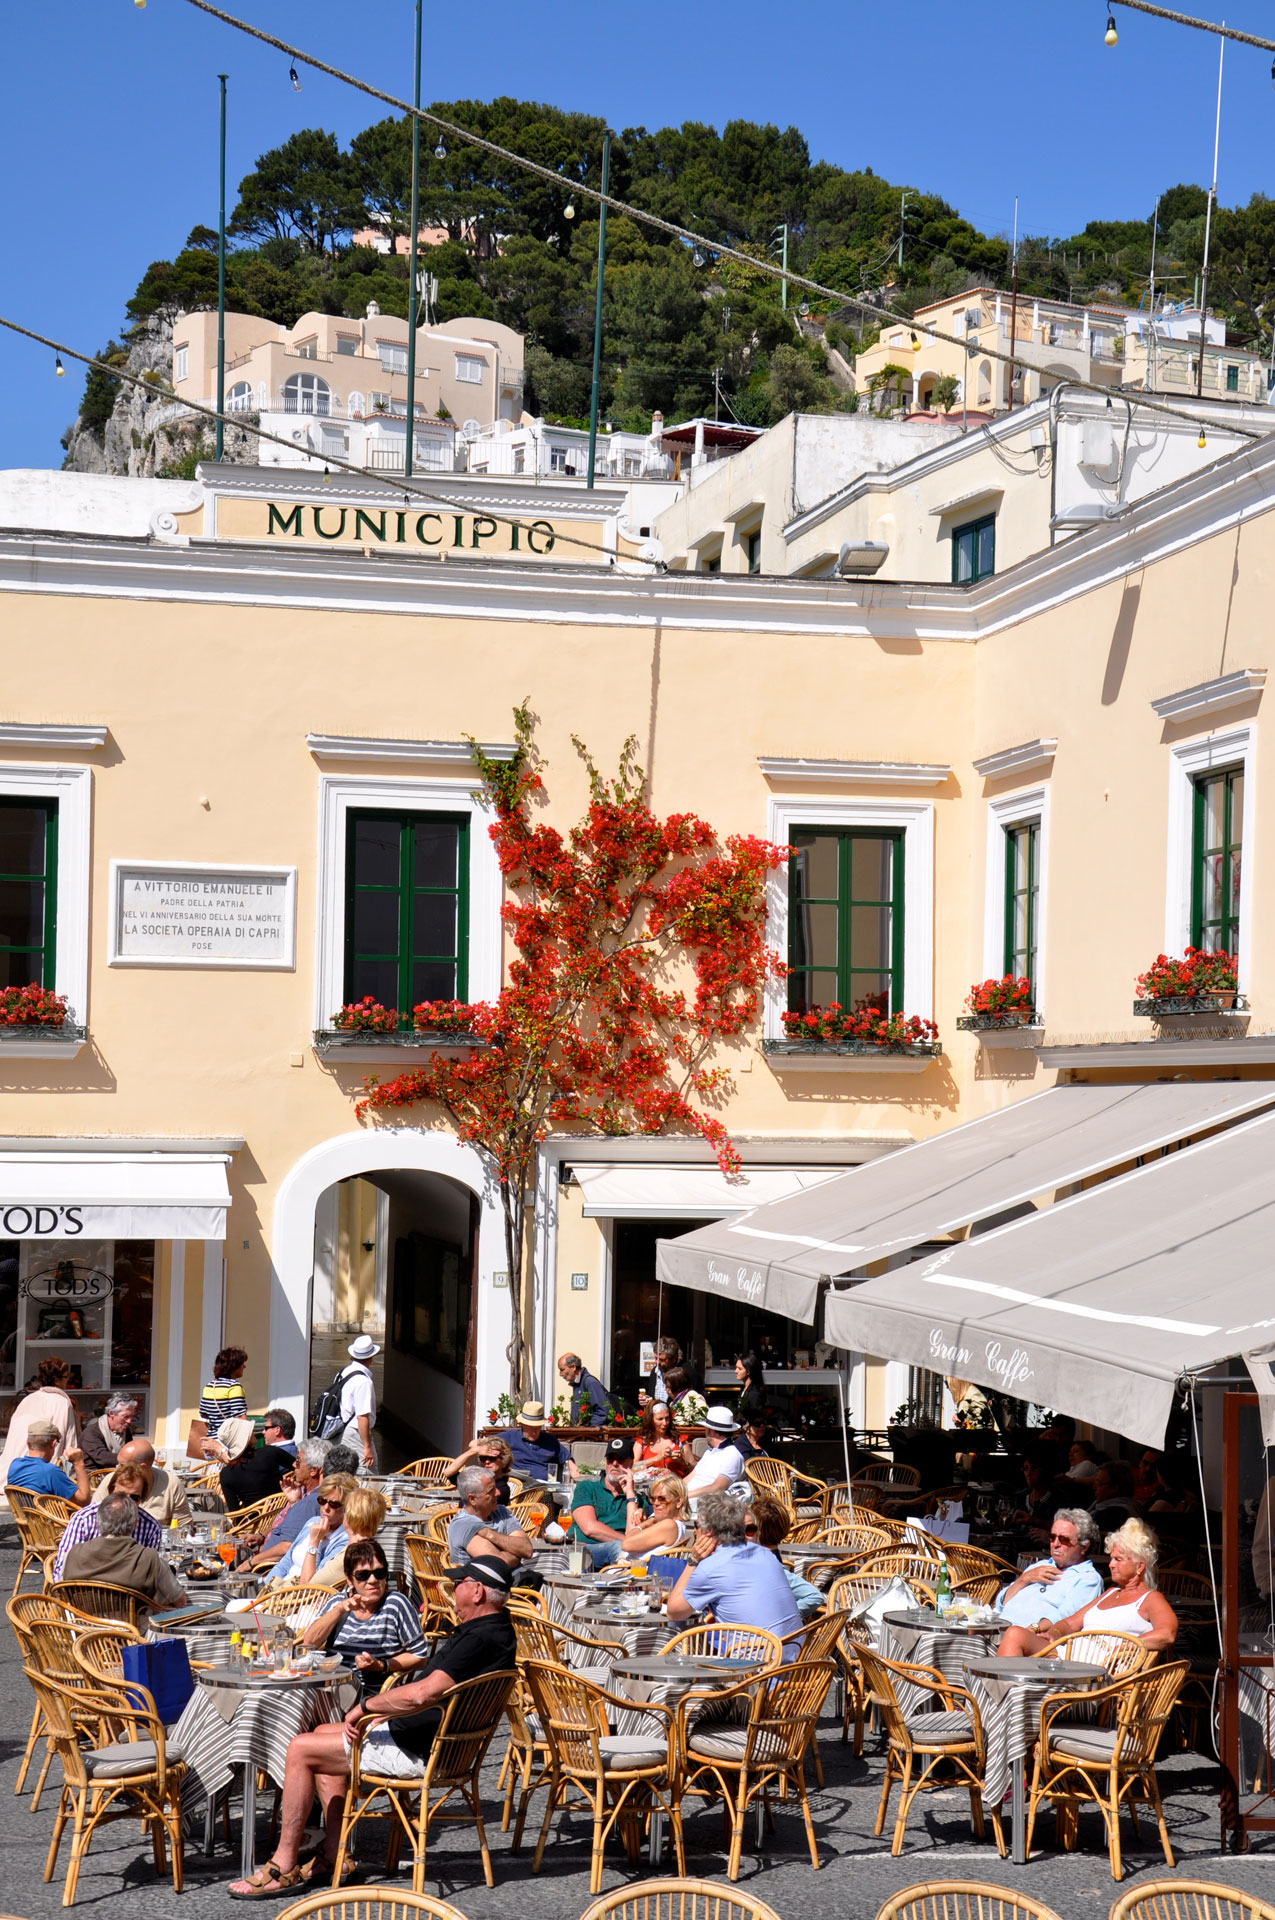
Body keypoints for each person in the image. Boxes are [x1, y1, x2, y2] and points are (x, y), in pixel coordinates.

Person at [227, 1554, 517, 1899]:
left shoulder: (480, 1639)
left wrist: (366, 1707)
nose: (453, 1590)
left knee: (301, 1749)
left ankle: (283, 1863)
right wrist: (385, 1712)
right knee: (320, 1736)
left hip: (421, 1750)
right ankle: (336, 1855)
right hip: (434, 1740)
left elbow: (423, 1692)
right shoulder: (496, 1631)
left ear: (478, 1591)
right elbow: (424, 1694)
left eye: (459, 1584)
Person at [999, 1517, 1178, 1657]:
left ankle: (1004, 1700)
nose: (1111, 1565)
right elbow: (1070, 1622)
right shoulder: (1111, 1592)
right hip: (1069, 1656)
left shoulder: (1150, 1598)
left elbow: (1167, 1634)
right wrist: (1054, 1633)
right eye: (1111, 1558)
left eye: (1118, 1560)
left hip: (1095, 1668)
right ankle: (1004, 1700)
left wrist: (1128, 1645)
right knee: (1015, 1634)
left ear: (1140, 1566)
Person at [667, 1491, 803, 1648]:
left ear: (708, 1532)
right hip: (799, 1662)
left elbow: (674, 1614)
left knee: (682, 1651)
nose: (695, 1532)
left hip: (757, 1667)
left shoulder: (711, 1568)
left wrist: (693, 1561)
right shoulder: (766, 1554)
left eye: (697, 1527)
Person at [302, 1539, 429, 1688]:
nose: (373, 1580)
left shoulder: (395, 1604)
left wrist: (382, 1665)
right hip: (330, 1688)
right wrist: (339, 1610)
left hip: (370, 1693)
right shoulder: (337, 1602)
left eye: (379, 1573)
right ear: (350, 1579)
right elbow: (309, 1643)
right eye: (363, 1575)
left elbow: (420, 1656)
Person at [61, 1491, 186, 1617]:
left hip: (82, 1631)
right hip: (134, 1634)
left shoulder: (72, 1555)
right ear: (135, 1524)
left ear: (98, 1522)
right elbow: (179, 1601)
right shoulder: (149, 1559)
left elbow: (62, 1591)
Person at [992, 1507, 1104, 1632]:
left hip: (1031, 1641)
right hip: (997, 1629)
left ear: (1084, 1547)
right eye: (1052, 1537)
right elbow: (1000, 1603)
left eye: (1064, 1539)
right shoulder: (1038, 1566)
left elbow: (1066, 1618)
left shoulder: (1088, 1578)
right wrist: (1024, 1579)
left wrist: (1030, 1631)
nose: (1055, 1544)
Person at [52, 1463, 161, 1580]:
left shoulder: (150, 1526)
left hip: (131, 1593)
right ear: (111, 1491)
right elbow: (61, 1569)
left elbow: (151, 1574)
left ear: (142, 1499)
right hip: (84, 1591)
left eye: (134, 1498)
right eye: (121, 1495)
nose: (127, 1502)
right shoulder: (85, 1518)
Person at [243, 1437, 332, 1573]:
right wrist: (261, 1535)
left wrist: (250, 1562)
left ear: (313, 1471)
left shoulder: (312, 1501)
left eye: (298, 1462)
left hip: (265, 1568)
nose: (293, 1465)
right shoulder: (302, 1493)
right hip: (260, 1553)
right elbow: (285, 1527)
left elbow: (286, 1547)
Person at [265, 1474, 358, 1585]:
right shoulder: (312, 1522)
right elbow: (285, 1562)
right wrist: (266, 1587)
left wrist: (315, 1542)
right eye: (322, 1500)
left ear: (347, 1507)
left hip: (299, 1596)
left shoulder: (343, 1540)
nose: (326, 1508)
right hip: (277, 1590)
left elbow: (314, 1580)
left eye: (334, 1504)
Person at [0, 1356, 81, 1483]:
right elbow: (65, 1441)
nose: (67, 1381)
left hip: (12, 1470)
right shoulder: (61, 1403)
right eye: (66, 1377)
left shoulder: (28, 1400)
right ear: (57, 1380)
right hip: (37, 1474)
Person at [747, 1495, 825, 1619]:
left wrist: (784, 1615)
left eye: (748, 1529)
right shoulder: (771, 1560)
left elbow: (815, 1596)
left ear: (756, 1531)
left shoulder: (767, 1566)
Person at [446, 1467, 534, 1574]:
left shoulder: (502, 1512)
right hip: (484, 1588)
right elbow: (498, 1564)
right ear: (472, 1499)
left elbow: (527, 1550)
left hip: (518, 1581)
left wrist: (490, 1535)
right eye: (491, 1490)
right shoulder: (463, 1524)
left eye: (495, 1487)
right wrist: (517, 1554)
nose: (497, 1493)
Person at [566, 1437, 634, 1568]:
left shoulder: (637, 1500)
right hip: (584, 1552)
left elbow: (636, 1535)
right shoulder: (587, 1487)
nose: (614, 1463)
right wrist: (627, 1542)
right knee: (621, 1548)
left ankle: (614, 1581)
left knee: (628, 1552)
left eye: (620, 1459)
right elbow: (589, 1528)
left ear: (631, 1463)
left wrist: (630, 1495)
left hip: (620, 1554)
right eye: (610, 1459)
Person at [107, 1438, 191, 1528]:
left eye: (122, 1465)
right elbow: (95, 1517)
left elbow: (183, 1525)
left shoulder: (171, 1484)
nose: (117, 1469)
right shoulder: (111, 1480)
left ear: (143, 1467)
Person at [5, 1418, 90, 1505]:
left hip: (25, 1516)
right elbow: (84, 1501)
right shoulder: (51, 1472)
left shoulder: (14, 1464)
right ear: (53, 1444)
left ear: (28, 1443)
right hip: (53, 1518)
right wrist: (79, 1463)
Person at [218, 1416, 294, 1512]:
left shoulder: (225, 1473)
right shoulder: (270, 1452)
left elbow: (234, 1512)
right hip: (282, 1514)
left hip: (253, 1524)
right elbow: (298, 1465)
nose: (254, 1432)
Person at [491, 1400, 576, 1485]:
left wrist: (578, 1482)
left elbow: (569, 1462)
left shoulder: (550, 1440)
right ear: (522, 1424)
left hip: (542, 1489)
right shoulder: (510, 1437)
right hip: (516, 1486)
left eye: (537, 1427)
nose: (534, 1431)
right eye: (530, 1427)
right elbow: (483, 1444)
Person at [615, 1469, 695, 1559]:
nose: (656, 1503)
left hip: (631, 1570)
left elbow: (626, 1544)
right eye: (653, 1499)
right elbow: (628, 1534)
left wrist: (646, 1523)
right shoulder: (672, 1525)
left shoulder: (669, 1525)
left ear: (678, 1502)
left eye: (662, 1499)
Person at [335, 1335, 380, 1471]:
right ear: (371, 1358)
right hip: (355, 1432)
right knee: (367, 1473)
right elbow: (362, 1416)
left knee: (344, 1472)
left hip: (340, 1430)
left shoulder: (342, 1373)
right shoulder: (363, 1382)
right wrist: (366, 1447)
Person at [684, 1405, 747, 1499]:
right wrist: (672, 1491)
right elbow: (690, 1477)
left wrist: (685, 1496)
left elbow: (718, 1487)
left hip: (705, 1505)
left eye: (706, 1429)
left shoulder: (732, 1455)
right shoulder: (709, 1452)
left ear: (711, 1431)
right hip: (686, 1500)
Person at [442, 1434, 514, 1504]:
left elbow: (476, 1507)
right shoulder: (477, 1480)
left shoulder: (502, 1489)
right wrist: (473, 1451)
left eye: (492, 1458)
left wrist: (457, 1510)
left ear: (504, 1462)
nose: (487, 1461)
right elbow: (448, 1473)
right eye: (483, 1458)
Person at [199, 1345, 249, 1440]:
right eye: (242, 1363)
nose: (244, 1366)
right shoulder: (233, 1386)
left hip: (211, 1441)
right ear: (234, 1366)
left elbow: (203, 1413)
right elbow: (240, 1417)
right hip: (228, 1442)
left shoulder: (209, 1386)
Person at [556, 1352, 617, 1427]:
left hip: (590, 1436)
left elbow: (603, 1411)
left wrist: (589, 1429)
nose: (560, 1374)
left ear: (573, 1367)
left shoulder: (590, 1382)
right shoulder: (578, 1384)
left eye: (562, 1369)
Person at [79, 1393, 140, 1468]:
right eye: (125, 1416)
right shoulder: (91, 1432)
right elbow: (102, 1458)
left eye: (131, 1417)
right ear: (111, 1413)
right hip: (91, 1475)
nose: (129, 1421)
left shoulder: (126, 1431)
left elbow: (130, 1451)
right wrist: (133, 1459)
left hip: (116, 1472)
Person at [1010, 1450, 1060, 1537]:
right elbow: (1014, 1527)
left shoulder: (1058, 1497)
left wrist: (1034, 1521)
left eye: (1034, 1468)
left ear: (1044, 1469)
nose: (1028, 1474)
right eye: (1026, 1469)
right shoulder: (1021, 1496)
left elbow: (1067, 1528)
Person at [633, 1399, 691, 1475]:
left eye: (667, 1418)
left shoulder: (679, 1440)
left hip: (675, 1485)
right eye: (660, 1419)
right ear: (651, 1420)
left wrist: (682, 1461)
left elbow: (694, 1468)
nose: (665, 1423)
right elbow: (633, 1467)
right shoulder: (642, 1442)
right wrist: (657, 1458)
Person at [1088, 1460, 1141, 1529]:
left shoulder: (1117, 1514)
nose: (1094, 1487)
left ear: (1114, 1488)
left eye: (1099, 1484)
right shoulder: (1101, 1506)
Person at [643, 1335, 684, 1406]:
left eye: (662, 1359)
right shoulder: (655, 1371)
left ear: (673, 1358)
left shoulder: (685, 1373)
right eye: (656, 1358)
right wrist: (647, 1401)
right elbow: (652, 1395)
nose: (657, 1362)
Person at [733, 1352, 767, 1424]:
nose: (735, 1371)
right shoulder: (745, 1388)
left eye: (739, 1369)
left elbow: (756, 1418)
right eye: (736, 1368)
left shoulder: (754, 1393)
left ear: (748, 1371)